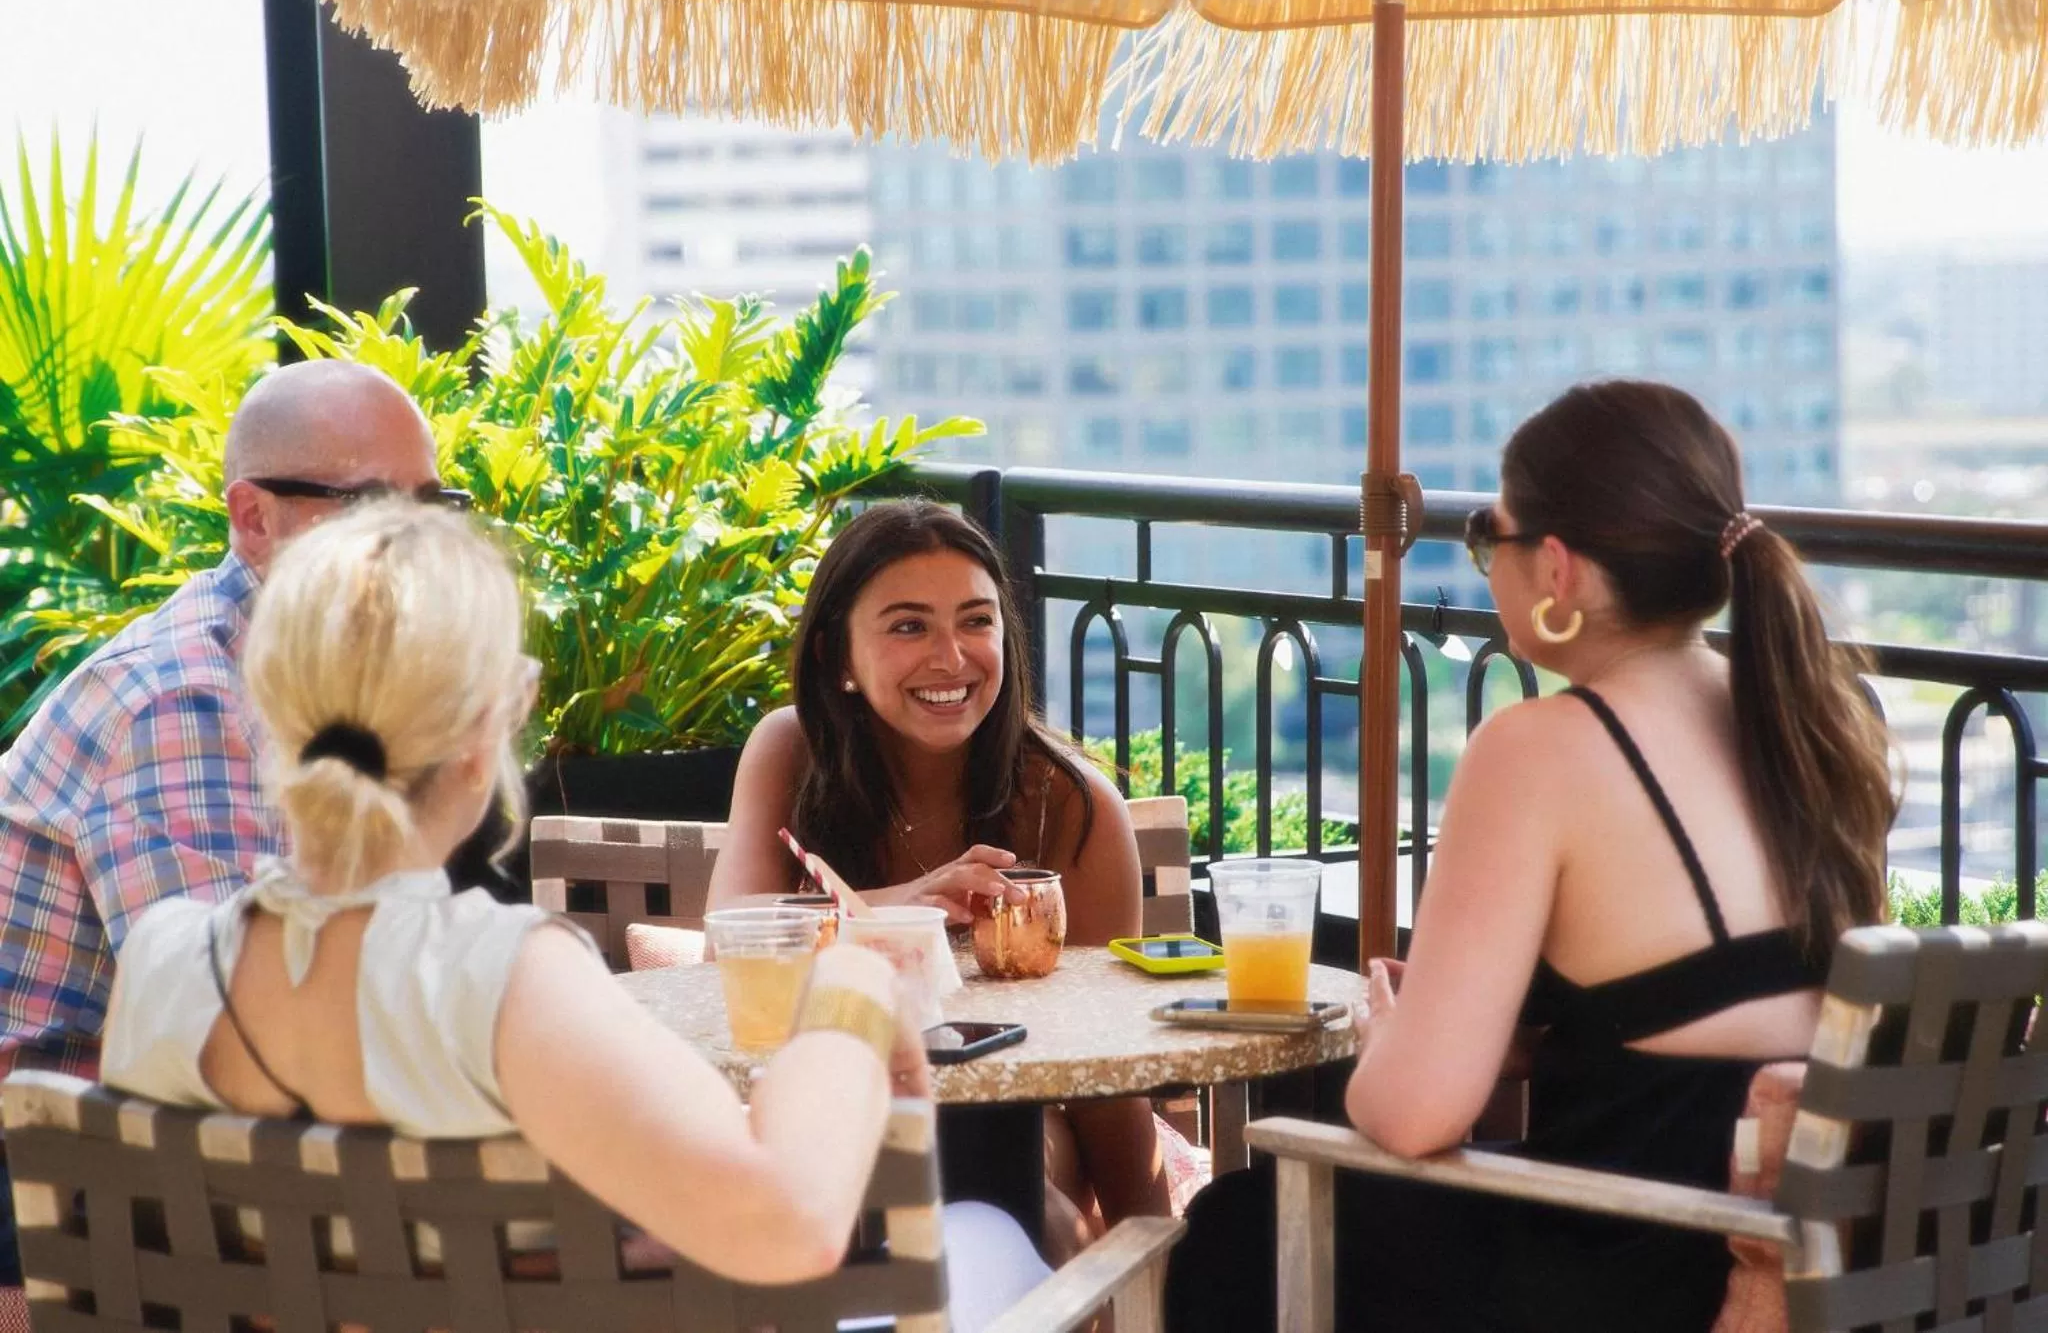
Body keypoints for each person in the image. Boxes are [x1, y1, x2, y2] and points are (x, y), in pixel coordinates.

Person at [96, 500, 1048, 1318]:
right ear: (494, 722)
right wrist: (846, 992)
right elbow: (787, 1227)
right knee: (988, 1238)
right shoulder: (507, 976)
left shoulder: (161, 963)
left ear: (267, 704)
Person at [1164, 380, 1896, 1332]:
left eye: (1486, 535)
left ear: (1557, 568)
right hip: (1812, 1251)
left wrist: (1389, 1046)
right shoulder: (1805, 717)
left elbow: (1418, 1117)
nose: (1481, 564)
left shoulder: (1541, 747)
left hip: (1638, 1262)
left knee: (1236, 1230)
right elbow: (1701, 1014)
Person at [0, 359, 452, 1290]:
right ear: (254, 518)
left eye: (432, 507)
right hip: (49, 1183)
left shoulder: (325, 680)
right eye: (370, 506)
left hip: (150, 1142)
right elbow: (246, 1036)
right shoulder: (186, 699)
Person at [709, 500, 1172, 1256]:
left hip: (1014, 1129)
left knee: (979, 1166)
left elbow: (1108, 1078)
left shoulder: (1069, 808)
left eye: (976, 621)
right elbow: (732, 938)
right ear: (836, 658)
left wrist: (1153, 1262)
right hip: (817, 1114)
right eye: (908, 626)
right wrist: (901, 909)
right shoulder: (788, 752)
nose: (952, 658)